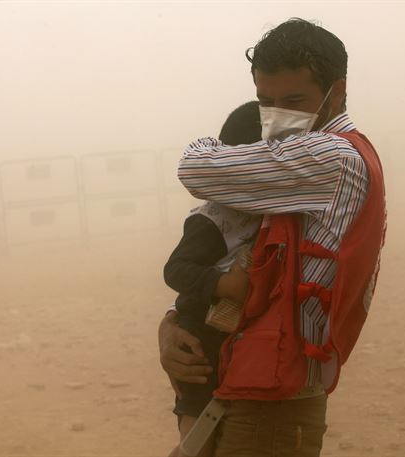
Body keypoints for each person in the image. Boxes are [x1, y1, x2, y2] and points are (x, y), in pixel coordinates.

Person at [159, 18, 386, 457]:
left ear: (336, 92)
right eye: (265, 102)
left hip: (276, 396)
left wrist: (225, 147)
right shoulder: (291, 170)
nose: (277, 115)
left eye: (295, 100)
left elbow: (194, 169)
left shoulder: (330, 156)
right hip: (245, 373)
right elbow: (247, 252)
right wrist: (173, 321)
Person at [163, 101, 263, 457]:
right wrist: (225, 286)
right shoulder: (212, 220)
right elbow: (175, 269)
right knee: (197, 437)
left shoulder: (265, 213)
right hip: (200, 337)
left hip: (232, 340)